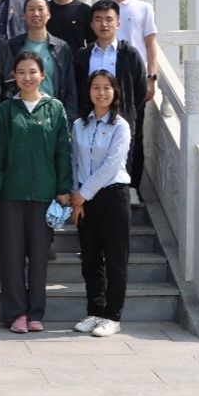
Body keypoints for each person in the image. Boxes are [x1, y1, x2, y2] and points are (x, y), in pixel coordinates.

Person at [0, 51, 73, 334]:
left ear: (43, 75)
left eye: (32, 72)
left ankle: (36, 312)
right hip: (11, 194)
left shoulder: (54, 109)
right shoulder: (6, 109)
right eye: (22, 72)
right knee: (12, 257)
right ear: (14, 76)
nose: (27, 77)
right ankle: (16, 313)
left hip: (43, 195)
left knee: (39, 258)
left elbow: (63, 151)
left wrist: (63, 188)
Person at [70, 70, 133, 338]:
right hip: (85, 200)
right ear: (89, 91)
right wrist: (77, 196)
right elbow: (74, 161)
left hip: (113, 195)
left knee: (116, 259)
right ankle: (95, 311)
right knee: (90, 258)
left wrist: (84, 193)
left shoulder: (120, 126)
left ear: (115, 91)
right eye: (96, 87)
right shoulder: (79, 125)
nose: (101, 92)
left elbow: (112, 165)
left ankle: (112, 316)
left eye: (107, 87)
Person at [107, 0, 159, 193]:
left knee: (134, 131)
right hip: (107, 76)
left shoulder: (143, 8)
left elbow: (150, 44)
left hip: (134, 77)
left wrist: (151, 77)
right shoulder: (103, 8)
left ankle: (132, 185)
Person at [73, 0, 148, 148]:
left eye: (109, 19)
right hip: (89, 123)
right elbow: (76, 88)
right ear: (92, 24)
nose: (104, 24)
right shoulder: (83, 56)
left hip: (121, 123)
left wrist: (126, 109)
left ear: (118, 23)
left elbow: (140, 90)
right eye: (98, 19)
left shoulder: (129, 54)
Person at [6, 0, 78, 122]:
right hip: (20, 115)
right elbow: (7, 84)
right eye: (31, 9)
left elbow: (70, 88)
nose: (36, 14)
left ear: (49, 14)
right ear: (24, 15)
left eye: (40, 9)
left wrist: (69, 121)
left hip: (52, 115)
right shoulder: (13, 46)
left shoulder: (61, 48)